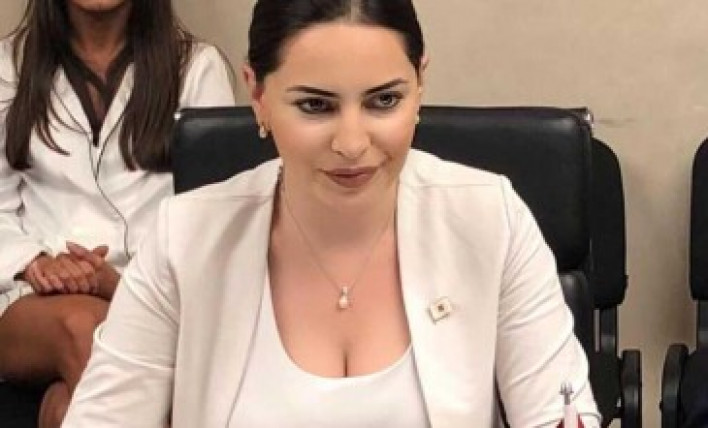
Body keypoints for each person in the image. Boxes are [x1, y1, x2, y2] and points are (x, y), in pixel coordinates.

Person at [62, 0, 600, 426]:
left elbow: (557, 411)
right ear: (257, 95)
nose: (351, 143)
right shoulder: (185, 238)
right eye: (315, 105)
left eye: (383, 101)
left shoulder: (489, 218)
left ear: (420, 85)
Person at [0, 0, 235, 426]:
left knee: (65, 409)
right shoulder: (7, 67)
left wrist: (120, 284)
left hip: (152, 294)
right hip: (29, 300)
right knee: (82, 326)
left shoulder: (197, 68)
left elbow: (211, 225)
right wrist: (37, 264)